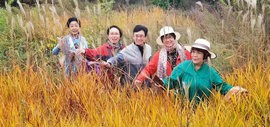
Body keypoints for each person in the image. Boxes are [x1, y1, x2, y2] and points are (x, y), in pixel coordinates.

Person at [163, 38, 247, 104]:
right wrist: (159, 84)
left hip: (202, 112)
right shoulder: (183, 67)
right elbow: (170, 82)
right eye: (193, 52)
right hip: (181, 110)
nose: (194, 55)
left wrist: (236, 90)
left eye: (199, 53)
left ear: (205, 55)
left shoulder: (210, 71)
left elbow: (221, 86)